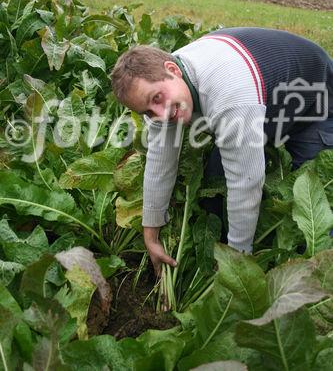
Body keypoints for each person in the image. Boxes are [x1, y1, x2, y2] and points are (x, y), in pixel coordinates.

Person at [111, 27, 333, 274]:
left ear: (172, 70)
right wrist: (151, 235)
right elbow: (160, 163)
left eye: (156, 99)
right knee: (214, 188)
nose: (161, 114)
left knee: (316, 196)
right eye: (148, 111)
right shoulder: (165, 84)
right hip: (262, 94)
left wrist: (237, 268)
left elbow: (246, 184)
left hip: (313, 97)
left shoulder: (228, 96)